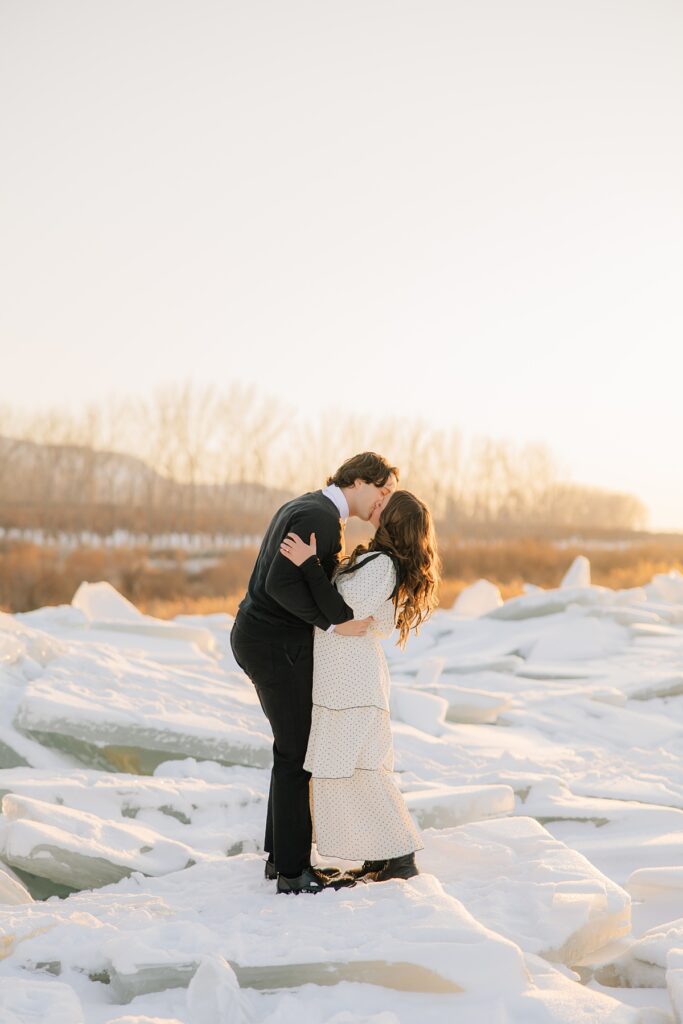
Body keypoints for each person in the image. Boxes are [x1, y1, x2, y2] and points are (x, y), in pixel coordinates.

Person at [229, 452, 399, 894]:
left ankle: (280, 860)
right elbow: (279, 585)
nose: (382, 503)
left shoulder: (310, 508)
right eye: (382, 492)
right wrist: (333, 622)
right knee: (296, 754)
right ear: (360, 481)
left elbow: (297, 580)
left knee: (290, 750)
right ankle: (291, 872)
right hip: (273, 644)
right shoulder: (318, 517)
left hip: (263, 639)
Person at [279, 489, 440, 883]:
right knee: (353, 768)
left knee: (361, 769)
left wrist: (309, 564)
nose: (375, 505)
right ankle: (380, 852)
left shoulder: (383, 565)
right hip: (343, 680)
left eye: (384, 506)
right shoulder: (376, 561)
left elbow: (343, 609)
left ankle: (400, 855)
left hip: (353, 682)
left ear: (393, 522)